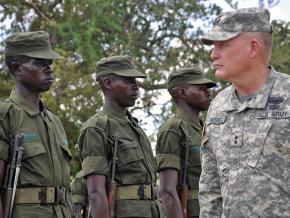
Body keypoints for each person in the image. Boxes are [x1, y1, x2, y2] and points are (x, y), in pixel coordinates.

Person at [199, 7, 290, 217]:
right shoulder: (218, 106)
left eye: (222, 44)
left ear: (253, 47)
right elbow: (210, 189)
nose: (213, 53)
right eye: (213, 46)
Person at [78, 55, 164, 218]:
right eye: (128, 80)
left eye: (135, 81)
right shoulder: (96, 128)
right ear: (107, 83)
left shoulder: (135, 127)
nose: (136, 87)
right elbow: (96, 193)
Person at [0, 31, 72, 217]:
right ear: (17, 68)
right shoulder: (5, 115)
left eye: (50, 63)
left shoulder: (54, 121)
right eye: (40, 62)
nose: (49, 68)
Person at [156, 67, 215, 218]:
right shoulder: (173, 130)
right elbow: (168, 191)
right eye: (201, 89)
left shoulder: (206, 128)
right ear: (182, 93)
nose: (208, 92)